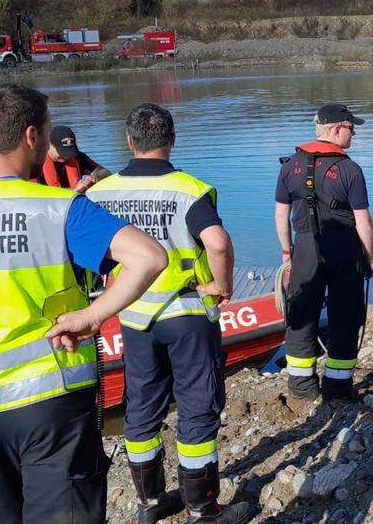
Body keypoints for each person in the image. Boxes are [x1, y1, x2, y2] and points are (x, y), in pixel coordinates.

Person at [0, 83, 167, 523]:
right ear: (32, 136)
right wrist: (92, 316)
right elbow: (149, 257)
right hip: (51, 399)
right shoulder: (57, 208)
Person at [88, 104, 252, 524]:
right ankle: (203, 509)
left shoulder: (99, 194)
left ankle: (151, 502)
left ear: (129, 141)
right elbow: (216, 243)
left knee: (142, 406)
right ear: (173, 138)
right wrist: (221, 286)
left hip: (133, 315)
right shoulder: (187, 189)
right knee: (197, 406)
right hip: (186, 311)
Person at [275, 103, 373, 400]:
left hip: (304, 248)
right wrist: (368, 258)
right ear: (335, 129)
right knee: (344, 316)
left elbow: (281, 216)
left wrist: (287, 253)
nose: (353, 134)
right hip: (343, 248)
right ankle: (338, 388)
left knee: (301, 315)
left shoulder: (289, 165)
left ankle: (301, 387)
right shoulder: (349, 169)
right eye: (350, 128)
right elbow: (363, 220)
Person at [32, 125, 110, 192]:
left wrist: (96, 177)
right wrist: (74, 190)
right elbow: (35, 194)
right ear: (48, 145)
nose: (66, 156)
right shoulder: (35, 163)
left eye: (69, 152)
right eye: (62, 152)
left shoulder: (78, 157)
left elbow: (106, 172)